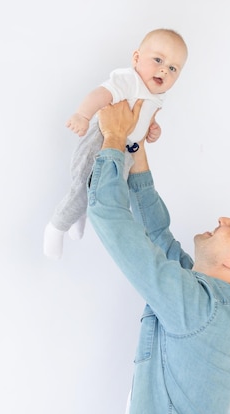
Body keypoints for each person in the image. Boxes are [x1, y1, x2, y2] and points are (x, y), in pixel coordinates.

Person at [87, 100, 230, 414]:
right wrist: (134, 145)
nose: (224, 219)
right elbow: (157, 237)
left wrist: (113, 137)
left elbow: (110, 218)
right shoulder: (213, 307)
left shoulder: (201, 309)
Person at [43, 28, 188, 260]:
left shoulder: (157, 96)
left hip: (124, 151)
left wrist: (152, 129)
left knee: (102, 191)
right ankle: (56, 227)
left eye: (173, 68)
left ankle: (79, 216)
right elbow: (102, 94)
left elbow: (145, 118)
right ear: (137, 58)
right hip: (101, 140)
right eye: (158, 60)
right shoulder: (130, 80)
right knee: (84, 185)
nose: (164, 69)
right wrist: (83, 114)